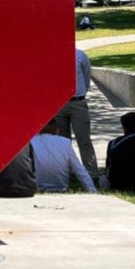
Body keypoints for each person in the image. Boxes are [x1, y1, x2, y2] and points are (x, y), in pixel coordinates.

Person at [55, 48, 99, 181]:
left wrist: (81, 94)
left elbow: (87, 78)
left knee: (84, 139)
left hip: (78, 102)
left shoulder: (80, 55)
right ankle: (66, 173)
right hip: (59, 104)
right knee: (62, 141)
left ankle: (92, 173)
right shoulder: (54, 55)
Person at [31, 119, 97, 193]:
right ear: (57, 130)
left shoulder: (31, 142)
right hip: (60, 186)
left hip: (36, 186)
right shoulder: (65, 142)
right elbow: (79, 170)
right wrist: (92, 190)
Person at [102, 111, 135, 192]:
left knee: (102, 179)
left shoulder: (114, 143)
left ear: (124, 128)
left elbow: (108, 166)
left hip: (119, 185)